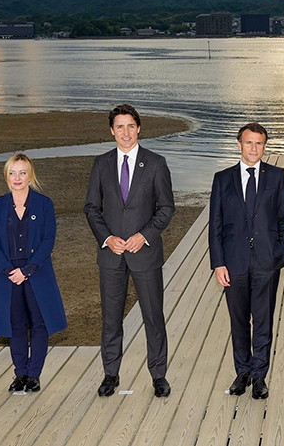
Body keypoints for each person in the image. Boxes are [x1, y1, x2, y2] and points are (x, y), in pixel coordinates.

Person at [84, 104, 175, 398]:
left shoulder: (156, 163)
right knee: (111, 318)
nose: (125, 132)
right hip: (111, 255)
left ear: (139, 128)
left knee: (153, 316)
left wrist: (144, 236)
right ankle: (111, 374)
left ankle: (159, 375)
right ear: (112, 131)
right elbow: (91, 208)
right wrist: (107, 238)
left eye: (130, 126)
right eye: (119, 127)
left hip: (145, 254)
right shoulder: (101, 164)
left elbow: (166, 208)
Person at [208, 123, 284, 399]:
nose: (254, 148)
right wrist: (218, 263)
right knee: (239, 320)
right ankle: (242, 372)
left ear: (265, 146)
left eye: (259, 143)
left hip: (267, 261)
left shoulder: (277, 177)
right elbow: (216, 225)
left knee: (263, 320)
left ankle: (259, 376)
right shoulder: (222, 179)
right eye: (248, 143)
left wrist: (280, 253)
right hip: (234, 262)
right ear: (239, 145)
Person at [0, 154, 67, 393]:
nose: (17, 178)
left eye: (22, 172)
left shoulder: (44, 204)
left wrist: (28, 270)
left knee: (39, 323)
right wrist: (9, 270)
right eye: (12, 173)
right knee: (15, 324)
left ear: (30, 176)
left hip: (36, 272)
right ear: (6, 177)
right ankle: (20, 372)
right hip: (7, 275)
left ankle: (34, 374)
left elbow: (48, 239)